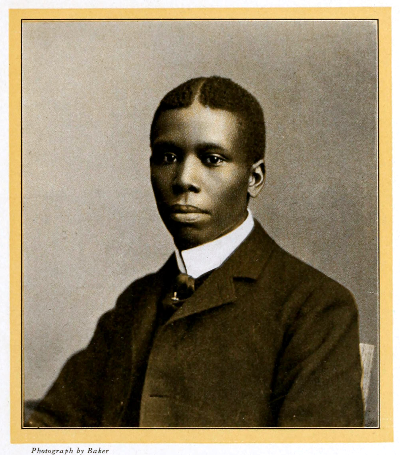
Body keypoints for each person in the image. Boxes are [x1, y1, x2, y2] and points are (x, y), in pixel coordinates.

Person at [26, 76, 364, 427]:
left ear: (254, 179)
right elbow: (51, 423)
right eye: (168, 157)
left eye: (212, 159)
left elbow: (316, 447)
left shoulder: (316, 307)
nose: (183, 178)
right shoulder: (135, 301)